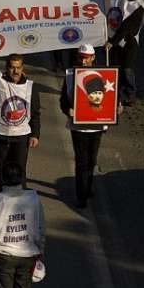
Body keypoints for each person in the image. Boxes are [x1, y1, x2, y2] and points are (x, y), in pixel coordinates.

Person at [0, 27, 41, 191]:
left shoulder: (30, 87)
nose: (15, 71)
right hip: (0, 134)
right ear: (6, 68)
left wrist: (35, 134)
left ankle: (21, 203)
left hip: (21, 136)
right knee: (2, 171)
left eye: (18, 67)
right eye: (12, 67)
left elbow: (35, 112)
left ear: (23, 68)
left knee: (20, 171)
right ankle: (2, 202)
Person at [60, 45, 117, 208]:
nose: (84, 60)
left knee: (91, 160)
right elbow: (63, 101)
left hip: (96, 127)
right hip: (78, 128)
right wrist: (67, 110)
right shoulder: (71, 75)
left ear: (92, 58)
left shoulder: (104, 75)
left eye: (86, 57)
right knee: (81, 161)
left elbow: (111, 98)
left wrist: (116, 107)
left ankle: (88, 186)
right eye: (81, 57)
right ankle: (81, 196)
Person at [103, 0, 144, 106]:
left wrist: (111, 42)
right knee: (114, 65)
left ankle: (130, 93)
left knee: (127, 68)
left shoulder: (138, 8)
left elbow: (125, 28)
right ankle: (114, 90)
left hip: (129, 41)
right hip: (115, 37)